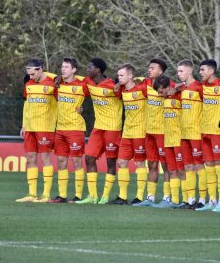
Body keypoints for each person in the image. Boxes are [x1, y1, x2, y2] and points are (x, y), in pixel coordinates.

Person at [76, 58, 123, 204]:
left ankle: (105, 196)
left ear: (98, 70)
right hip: (98, 128)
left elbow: (132, 84)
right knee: (89, 158)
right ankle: (93, 196)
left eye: (90, 67)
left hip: (112, 128)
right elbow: (72, 79)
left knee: (110, 161)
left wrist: (120, 83)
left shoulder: (112, 85)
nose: (87, 69)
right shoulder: (88, 83)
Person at [16, 59, 57, 203]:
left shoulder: (53, 83)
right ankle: (32, 194)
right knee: (31, 159)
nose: (31, 77)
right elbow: (26, 106)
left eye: (33, 73)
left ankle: (46, 195)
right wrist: (24, 125)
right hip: (30, 128)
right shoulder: (28, 84)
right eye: (29, 74)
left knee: (45, 159)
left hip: (45, 128)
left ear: (41, 70)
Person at [134, 58, 173, 207]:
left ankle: (167, 197)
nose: (149, 70)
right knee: (151, 165)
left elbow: (182, 89)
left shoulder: (170, 86)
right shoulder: (145, 85)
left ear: (160, 71)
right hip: (149, 132)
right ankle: (150, 198)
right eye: (149, 68)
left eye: (152, 68)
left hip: (163, 132)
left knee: (166, 166)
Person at [50, 57, 89, 203]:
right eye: (62, 67)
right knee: (60, 161)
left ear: (74, 69)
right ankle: (62, 195)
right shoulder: (57, 84)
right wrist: (59, 78)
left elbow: (96, 90)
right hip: (60, 128)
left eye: (66, 67)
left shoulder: (82, 85)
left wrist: (82, 109)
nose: (63, 69)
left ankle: (78, 196)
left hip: (75, 128)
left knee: (77, 161)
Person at [111, 64, 148, 205]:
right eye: (118, 75)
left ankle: (139, 197)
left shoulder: (142, 88)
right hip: (127, 132)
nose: (119, 78)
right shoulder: (120, 90)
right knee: (121, 162)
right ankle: (122, 197)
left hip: (140, 132)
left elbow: (151, 82)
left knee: (140, 163)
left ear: (130, 76)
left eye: (122, 75)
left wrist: (138, 78)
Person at [195, 59, 220, 212]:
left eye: (202, 70)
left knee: (219, 167)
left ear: (211, 71)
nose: (200, 72)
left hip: (218, 132)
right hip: (204, 131)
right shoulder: (202, 87)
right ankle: (212, 201)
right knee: (208, 168)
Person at [177, 59, 207, 209]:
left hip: (196, 133)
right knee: (187, 167)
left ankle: (202, 199)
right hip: (184, 134)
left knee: (199, 166)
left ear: (190, 71)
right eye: (177, 71)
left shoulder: (199, 88)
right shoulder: (182, 88)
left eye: (181, 71)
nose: (178, 74)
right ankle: (190, 200)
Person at [152, 75, 185, 208]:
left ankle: (189, 200)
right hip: (168, 139)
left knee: (182, 170)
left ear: (167, 87)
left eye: (161, 91)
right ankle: (174, 201)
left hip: (179, 139)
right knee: (171, 170)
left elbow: (187, 85)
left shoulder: (179, 94)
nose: (160, 95)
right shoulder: (166, 97)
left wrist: (177, 88)